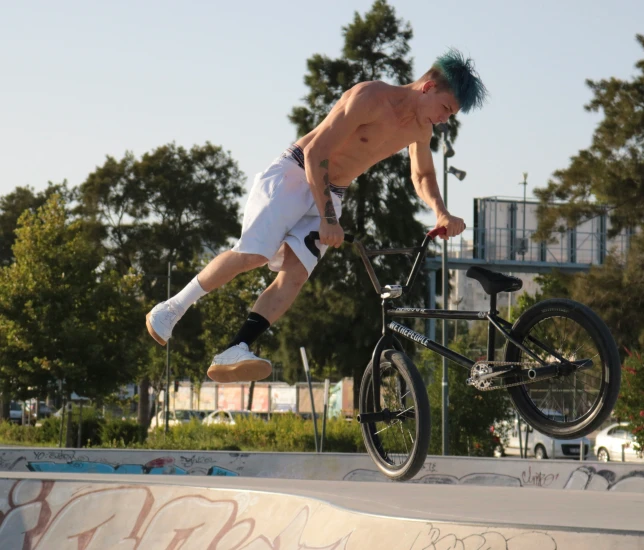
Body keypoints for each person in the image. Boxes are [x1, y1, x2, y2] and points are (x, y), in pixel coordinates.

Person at [146, 48, 488, 383]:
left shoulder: (419, 130)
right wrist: (327, 219)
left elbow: (423, 176)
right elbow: (316, 153)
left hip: (333, 193)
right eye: (445, 108)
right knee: (252, 254)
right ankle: (171, 308)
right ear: (428, 87)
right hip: (295, 174)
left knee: (293, 277)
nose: (445, 119)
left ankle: (236, 348)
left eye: (451, 115)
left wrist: (441, 212)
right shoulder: (370, 97)